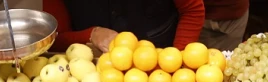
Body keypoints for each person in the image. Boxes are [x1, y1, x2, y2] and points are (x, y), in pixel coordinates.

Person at [45, 0, 205, 52]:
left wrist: (179, 59)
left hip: (160, 59)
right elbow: (53, 38)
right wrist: (91, 34)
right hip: (92, 71)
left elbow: (193, 9)